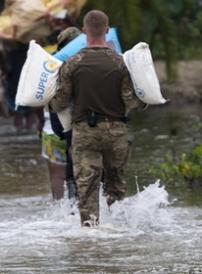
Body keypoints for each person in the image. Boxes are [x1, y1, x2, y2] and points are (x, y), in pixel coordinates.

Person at [50, 10, 145, 226]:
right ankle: (119, 232)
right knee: (117, 188)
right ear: (107, 30)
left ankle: (91, 237)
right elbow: (132, 103)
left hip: (85, 133)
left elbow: (60, 104)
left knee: (87, 189)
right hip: (117, 132)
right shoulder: (121, 63)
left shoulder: (71, 63)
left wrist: (49, 101)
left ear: (84, 32)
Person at [42, 27, 81, 200]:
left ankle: (59, 215)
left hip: (51, 127)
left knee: (57, 176)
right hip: (83, 128)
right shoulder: (85, 63)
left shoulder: (48, 65)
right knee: (86, 173)